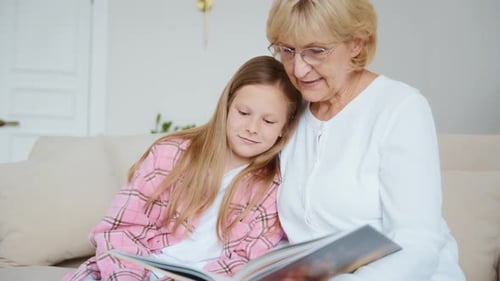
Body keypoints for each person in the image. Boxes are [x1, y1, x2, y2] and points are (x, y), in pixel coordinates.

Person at [265, 1, 465, 280]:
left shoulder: (400, 107)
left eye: (316, 51)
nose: (298, 69)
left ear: (356, 44)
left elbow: (418, 244)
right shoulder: (288, 110)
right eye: (287, 50)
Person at [63, 55, 302, 281]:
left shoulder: (273, 188)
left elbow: (244, 261)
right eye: (243, 113)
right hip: (136, 270)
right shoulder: (171, 154)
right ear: (227, 107)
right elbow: (120, 231)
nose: (252, 127)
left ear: (285, 127)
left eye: (268, 121)